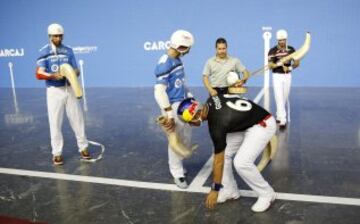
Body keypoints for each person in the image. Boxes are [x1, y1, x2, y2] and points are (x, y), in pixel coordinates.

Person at [177, 93, 276, 212]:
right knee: (225, 152)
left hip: (262, 124)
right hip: (247, 121)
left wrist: (215, 189)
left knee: (241, 163)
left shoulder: (217, 124)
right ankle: (230, 190)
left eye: (189, 121)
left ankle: (267, 194)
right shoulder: (211, 99)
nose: (190, 124)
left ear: (197, 113)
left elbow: (219, 161)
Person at [35, 23, 91, 165]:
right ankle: (57, 153)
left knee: (78, 120)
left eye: (60, 36)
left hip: (69, 89)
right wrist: (53, 75)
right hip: (54, 91)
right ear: (50, 36)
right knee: (55, 123)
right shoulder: (44, 51)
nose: (58, 38)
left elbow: (76, 70)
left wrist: (71, 73)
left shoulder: (68, 50)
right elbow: (39, 73)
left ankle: (83, 148)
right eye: (55, 36)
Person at [154, 30, 195, 189]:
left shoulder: (178, 59)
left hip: (183, 103)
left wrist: (190, 97)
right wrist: (169, 113)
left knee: (185, 137)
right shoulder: (165, 63)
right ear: (180, 46)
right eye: (187, 48)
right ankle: (177, 172)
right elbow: (159, 91)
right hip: (172, 106)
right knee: (175, 140)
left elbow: (180, 83)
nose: (189, 51)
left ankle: (179, 163)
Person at [268, 29, 300, 129]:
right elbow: (270, 65)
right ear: (277, 40)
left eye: (283, 40)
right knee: (278, 96)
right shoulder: (272, 51)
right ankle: (283, 120)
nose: (282, 42)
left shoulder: (291, 49)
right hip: (277, 75)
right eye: (280, 40)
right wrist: (276, 64)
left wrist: (289, 67)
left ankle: (278, 114)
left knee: (284, 97)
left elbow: (297, 63)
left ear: (286, 39)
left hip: (287, 75)